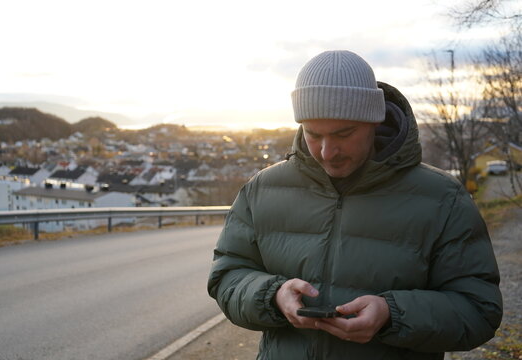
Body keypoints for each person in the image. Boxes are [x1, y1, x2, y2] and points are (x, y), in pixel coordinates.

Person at [207, 50, 502, 359]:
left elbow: (479, 310)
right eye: (312, 134)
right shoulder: (262, 189)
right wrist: (272, 295)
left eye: (343, 134)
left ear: (374, 121)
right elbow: (227, 275)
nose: (327, 151)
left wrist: (393, 314)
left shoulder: (443, 198)